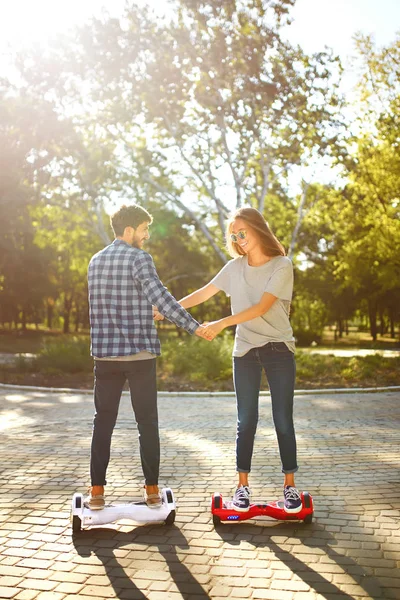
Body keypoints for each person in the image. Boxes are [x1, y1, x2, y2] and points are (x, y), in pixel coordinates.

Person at [154, 207, 301, 513]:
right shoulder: (234, 267)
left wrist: (221, 323)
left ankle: (290, 487)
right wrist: (168, 308)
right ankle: (242, 486)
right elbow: (204, 292)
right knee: (245, 421)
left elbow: (262, 307)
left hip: (278, 350)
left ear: (258, 230)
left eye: (242, 232)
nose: (238, 239)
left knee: (283, 420)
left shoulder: (282, 265)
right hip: (246, 351)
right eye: (234, 235)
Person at [86, 204, 211, 510]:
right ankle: (152, 491)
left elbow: (115, 304)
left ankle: (97, 493)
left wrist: (146, 311)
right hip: (139, 355)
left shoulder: (95, 261)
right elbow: (161, 298)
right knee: (147, 423)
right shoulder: (140, 258)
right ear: (129, 230)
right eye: (144, 229)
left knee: (103, 423)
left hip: (105, 356)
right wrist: (194, 327)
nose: (147, 235)